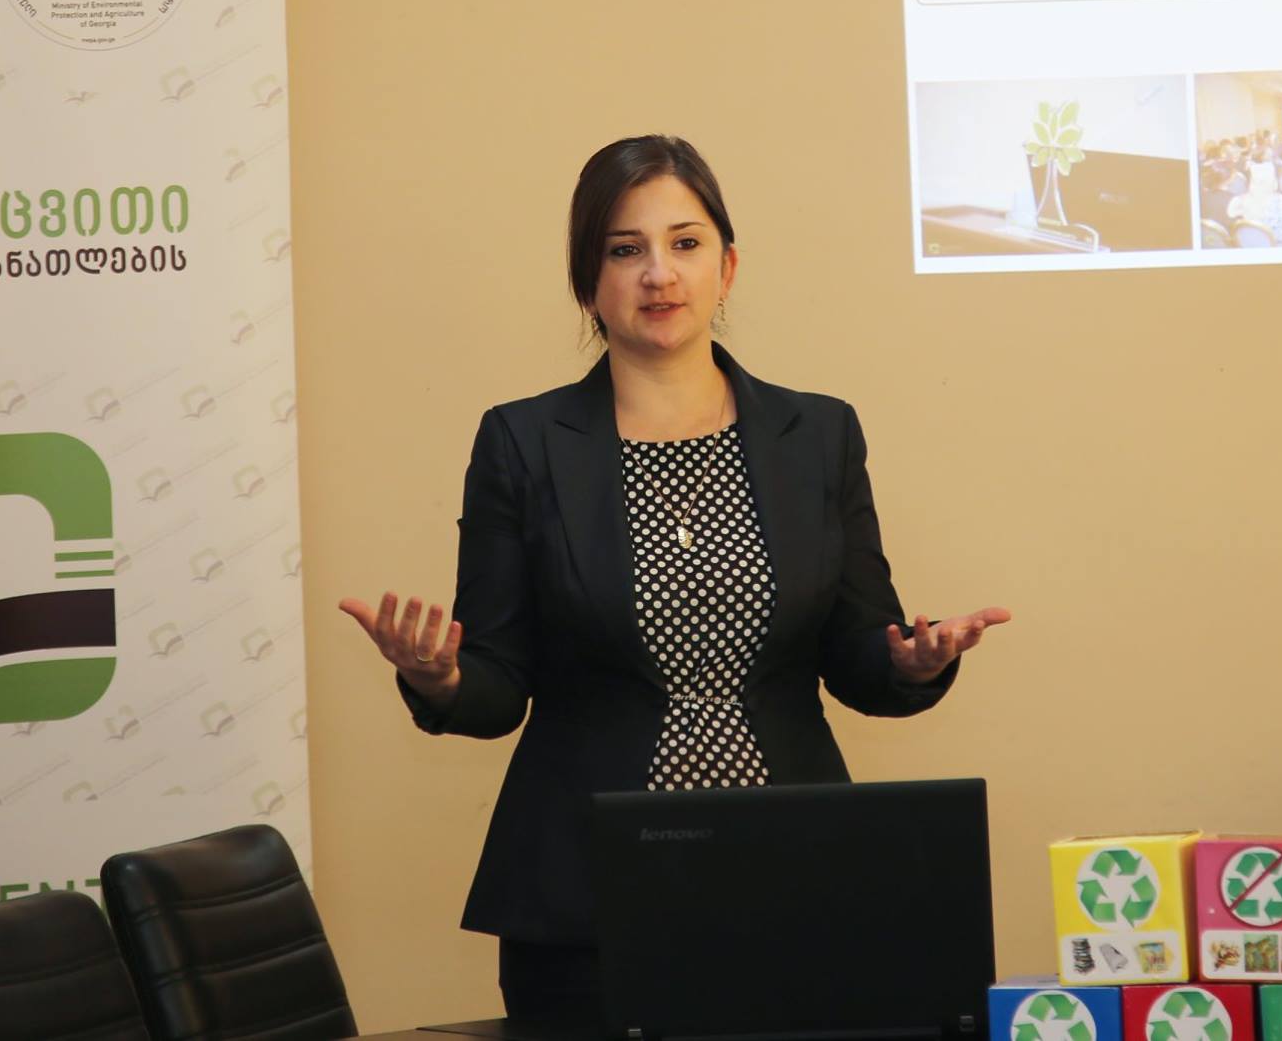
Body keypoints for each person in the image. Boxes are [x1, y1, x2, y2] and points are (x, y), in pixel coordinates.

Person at [338, 136, 1010, 1021]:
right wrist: (441, 677)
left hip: (798, 877)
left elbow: (857, 652)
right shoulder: (522, 442)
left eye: (685, 243)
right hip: (588, 898)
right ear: (589, 282)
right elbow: (499, 683)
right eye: (626, 249)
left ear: (727, 267)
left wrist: (913, 661)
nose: (659, 273)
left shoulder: (818, 435)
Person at [1226, 158, 1282, 245]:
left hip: (1250, 245)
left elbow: (1231, 213)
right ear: (1275, 184)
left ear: (1251, 184)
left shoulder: (1238, 202)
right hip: (1279, 247)